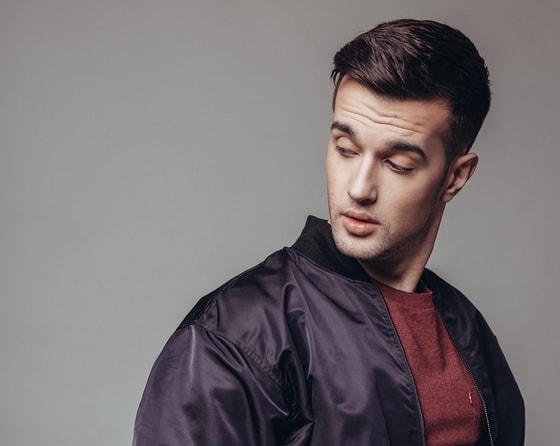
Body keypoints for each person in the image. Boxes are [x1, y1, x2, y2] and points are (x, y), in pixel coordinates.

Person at [133, 19, 524, 445]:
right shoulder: (233, 336)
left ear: (455, 177)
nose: (358, 188)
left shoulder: (466, 329)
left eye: (398, 164)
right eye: (345, 149)